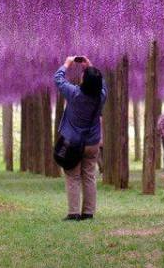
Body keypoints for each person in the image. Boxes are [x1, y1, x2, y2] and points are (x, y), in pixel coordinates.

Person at [54, 56, 107, 221]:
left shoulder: (74, 94)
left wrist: (67, 64)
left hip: (73, 143)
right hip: (92, 143)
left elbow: (58, 79)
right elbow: (101, 83)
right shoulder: (101, 96)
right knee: (89, 176)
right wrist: (90, 66)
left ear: (84, 81)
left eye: (84, 75)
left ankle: (73, 212)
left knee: (73, 176)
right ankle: (88, 212)